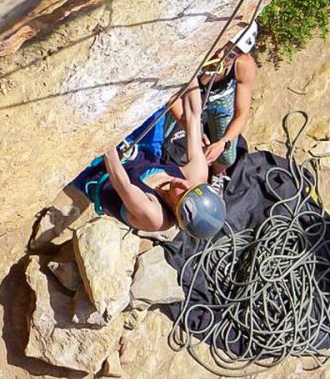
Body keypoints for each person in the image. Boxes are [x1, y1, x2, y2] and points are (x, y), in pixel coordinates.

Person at [71, 85, 226, 239]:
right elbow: (193, 115)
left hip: (100, 173)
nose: (184, 183)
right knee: (154, 101)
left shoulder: (154, 216)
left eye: (183, 193)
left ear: (176, 210)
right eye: (192, 186)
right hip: (144, 153)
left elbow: (121, 183)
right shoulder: (195, 176)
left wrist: (106, 131)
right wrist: (190, 76)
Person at [165, 21, 258, 188]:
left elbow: (241, 113)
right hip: (186, 94)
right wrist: (191, 129)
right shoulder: (197, 54)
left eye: (231, 53)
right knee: (165, 136)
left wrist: (223, 142)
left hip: (219, 97)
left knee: (227, 156)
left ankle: (216, 175)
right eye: (223, 44)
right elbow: (171, 98)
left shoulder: (243, 66)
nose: (221, 54)